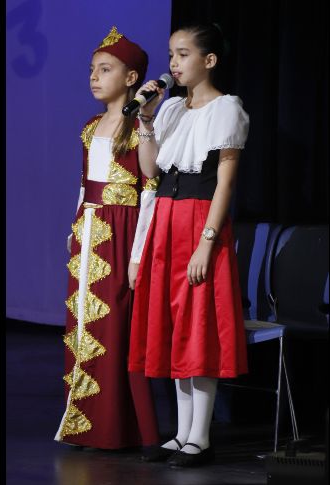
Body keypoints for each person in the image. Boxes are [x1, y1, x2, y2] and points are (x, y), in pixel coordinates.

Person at [128, 23, 250, 467]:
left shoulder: (227, 109)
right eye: (171, 54)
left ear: (209, 61)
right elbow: (150, 171)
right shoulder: (172, 109)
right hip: (166, 218)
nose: (173, 64)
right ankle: (181, 433)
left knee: (198, 326)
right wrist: (145, 118)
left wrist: (208, 242)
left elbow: (225, 184)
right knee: (173, 326)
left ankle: (201, 435)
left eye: (182, 55)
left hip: (200, 220)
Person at [54, 26, 160, 450]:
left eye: (106, 69)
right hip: (90, 231)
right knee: (83, 323)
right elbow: (85, 186)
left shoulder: (140, 126)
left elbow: (150, 187)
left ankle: (120, 426)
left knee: (115, 328)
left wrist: (137, 255)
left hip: (122, 232)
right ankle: (85, 422)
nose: (94, 77)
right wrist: (74, 226)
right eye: (92, 70)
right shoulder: (90, 126)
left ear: (131, 78)